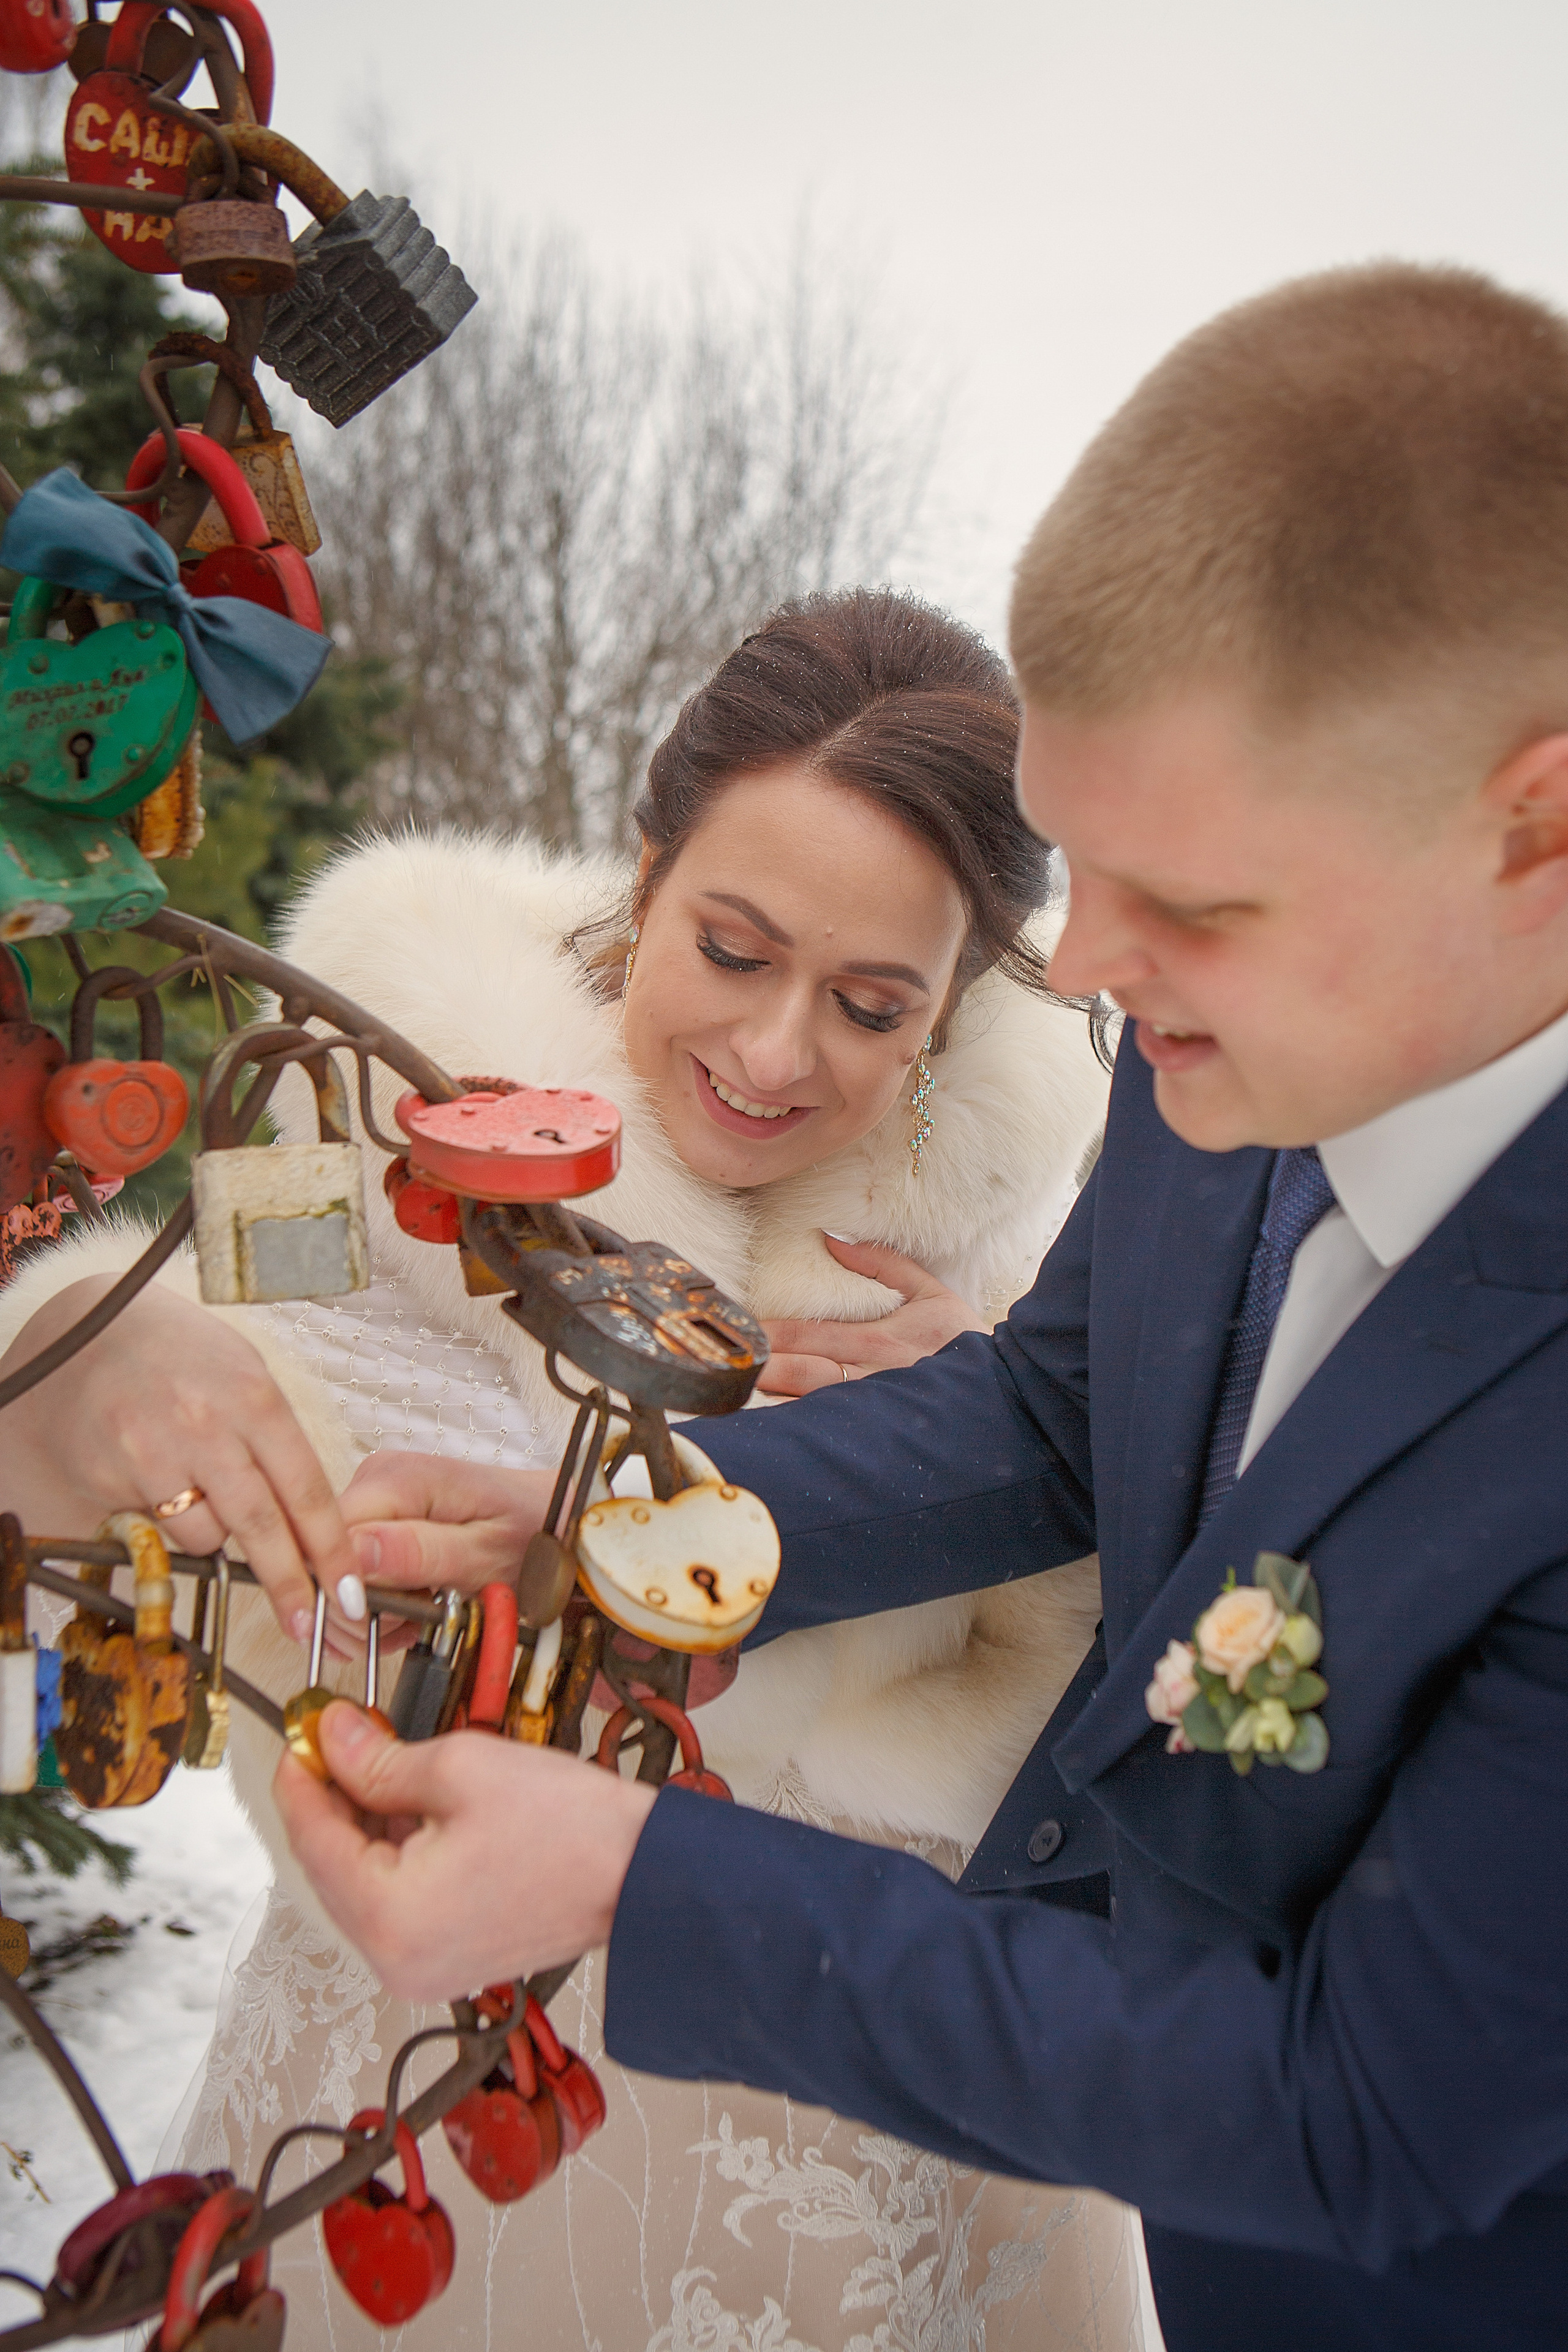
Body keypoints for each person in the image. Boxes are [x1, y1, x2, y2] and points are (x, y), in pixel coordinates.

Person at [257, 261, 1568, 2352]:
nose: (1094, 976)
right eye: (1077, 869)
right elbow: (1058, 1418)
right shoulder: (1214, 1044)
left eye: (1194, 898)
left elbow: (1368, 2114)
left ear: (1536, 825)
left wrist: (633, 1884)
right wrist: (610, 1541)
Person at [0, 592, 1136, 2348]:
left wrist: (989, 1442)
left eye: (869, 1003)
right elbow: (129, 1403)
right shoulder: (386, 1119)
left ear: (959, 1002)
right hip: (416, 2110)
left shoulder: (1025, 1269)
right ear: (647, 864)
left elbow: (1116, 1713)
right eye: (736, 949)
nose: (775, 1055)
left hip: (862, 2133)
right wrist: (94, 1350)